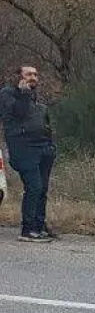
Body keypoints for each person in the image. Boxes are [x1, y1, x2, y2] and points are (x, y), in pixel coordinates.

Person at [0, 65, 57, 241]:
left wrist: (51, 145)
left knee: (42, 189)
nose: (33, 77)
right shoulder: (8, 94)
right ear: (19, 77)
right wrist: (23, 93)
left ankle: (39, 225)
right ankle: (28, 229)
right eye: (28, 74)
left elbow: (44, 121)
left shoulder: (35, 97)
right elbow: (18, 113)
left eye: (35, 75)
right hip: (24, 148)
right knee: (34, 187)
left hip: (43, 148)